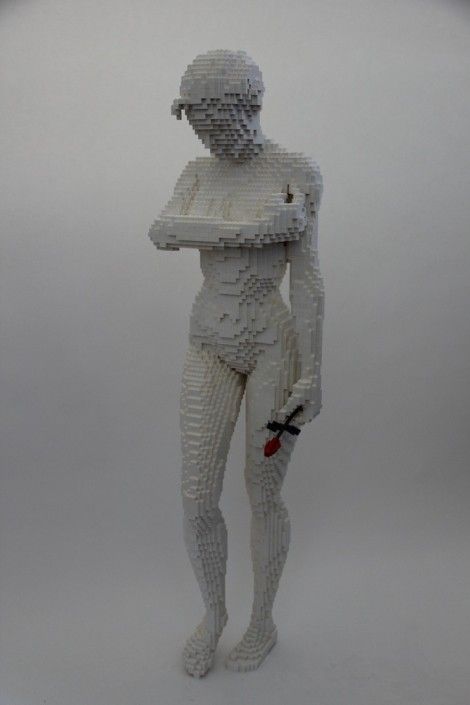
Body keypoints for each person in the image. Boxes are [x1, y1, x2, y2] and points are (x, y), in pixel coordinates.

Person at [149, 49, 324, 676]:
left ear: (248, 107)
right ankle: (213, 613)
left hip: (272, 341)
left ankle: (263, 619)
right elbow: (162, 231)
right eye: (197, 123)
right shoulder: (197, 172)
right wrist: (257, 230)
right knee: (198, 495)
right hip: (210, 337)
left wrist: (315, 372)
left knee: (263, 489)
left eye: (215, 121)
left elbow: (307, 278)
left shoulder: (295, 170)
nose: (206, 135)